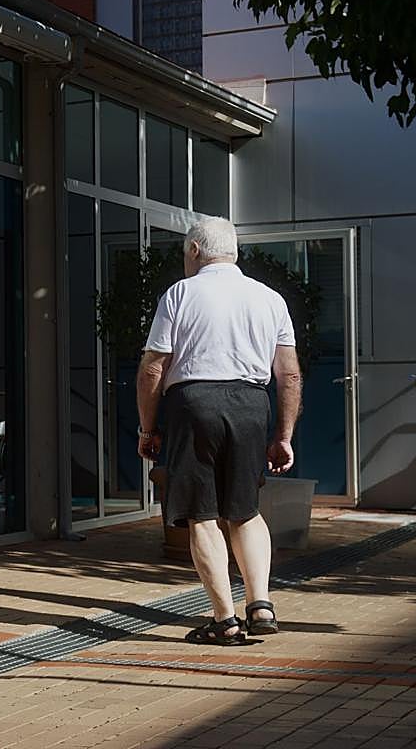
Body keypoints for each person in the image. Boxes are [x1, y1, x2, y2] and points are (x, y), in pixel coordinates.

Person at [136, 217, 302, 645]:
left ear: (194, 251)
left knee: (202, 515)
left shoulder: (179, 294)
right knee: (245, 509)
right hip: (251, 404)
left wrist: (147, 427)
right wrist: (282, 435)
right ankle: (261, 603)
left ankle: (224, 619)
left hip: (194, 405)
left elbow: (154, 367)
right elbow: (289, 375)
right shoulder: (270, 299)